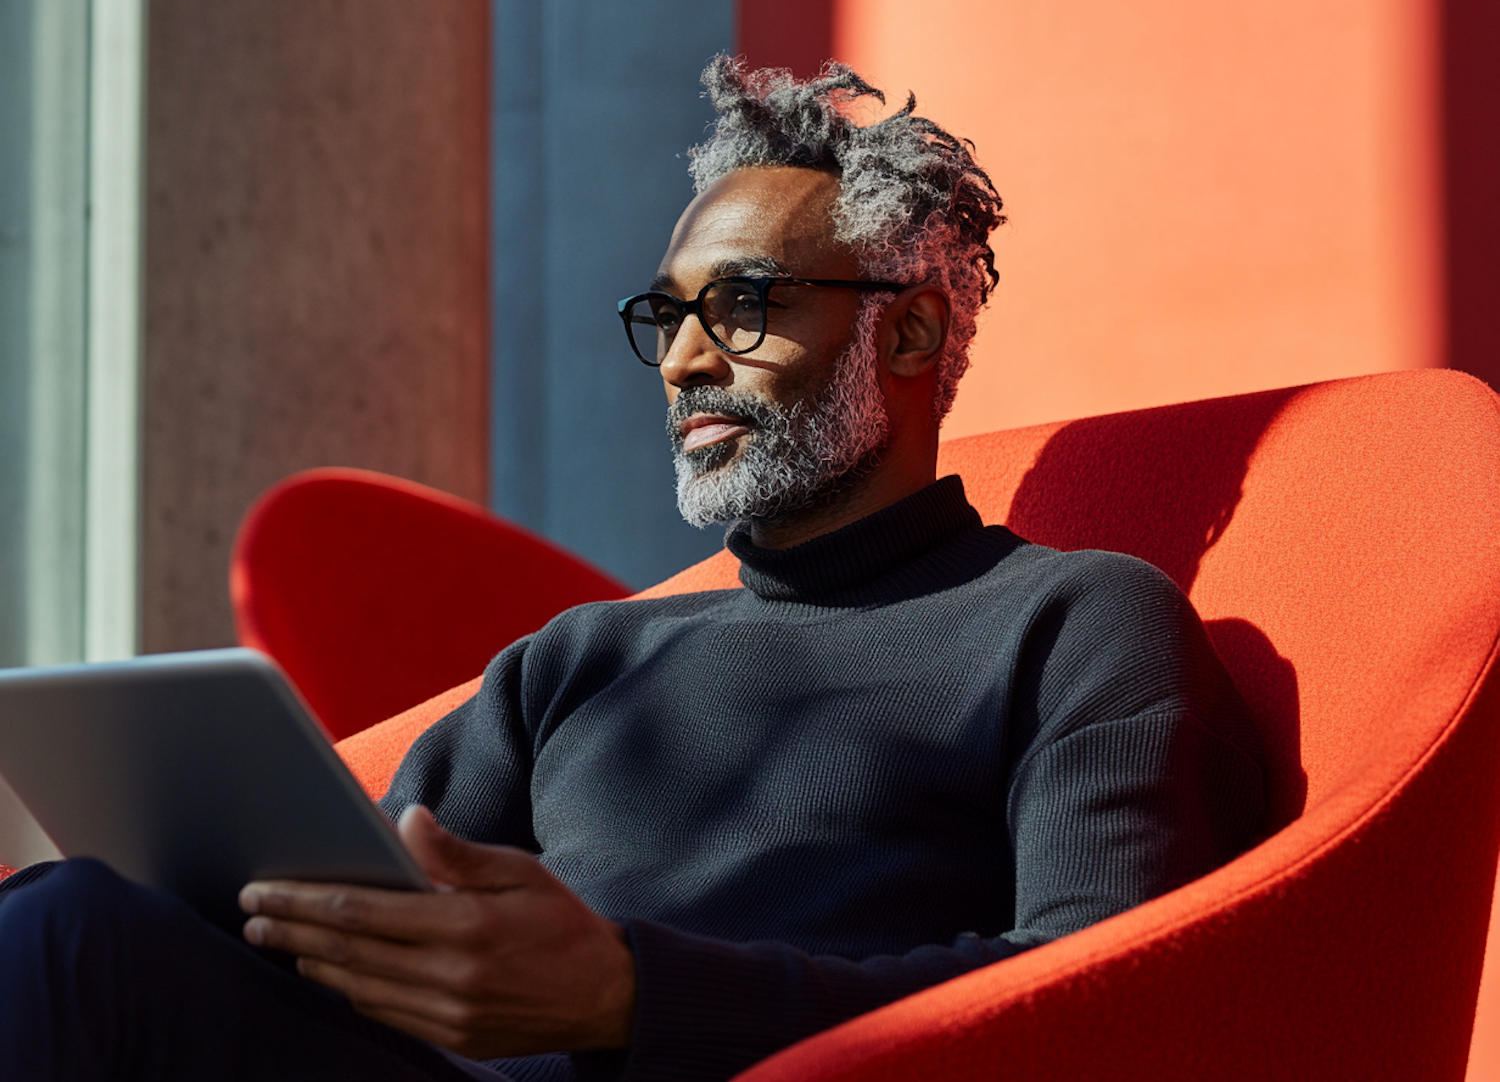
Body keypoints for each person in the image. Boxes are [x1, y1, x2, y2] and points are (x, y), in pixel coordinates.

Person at [0, 57, 1265, 1082]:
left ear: (911, 329)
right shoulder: (580, 659)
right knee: (64, 909)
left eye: (747, 306)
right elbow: (361, 920)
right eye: (669, 316)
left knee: (70, 944)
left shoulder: (1076, 624)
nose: (682, 363)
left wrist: (632, 995)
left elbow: (1106, 993)